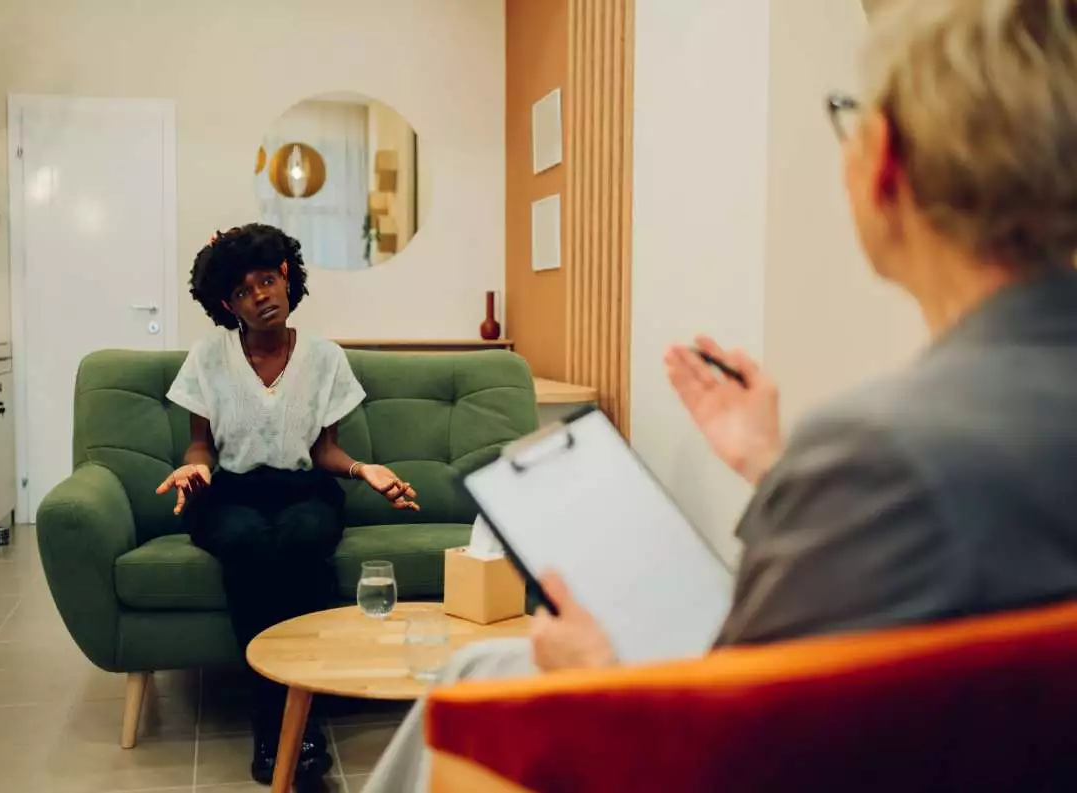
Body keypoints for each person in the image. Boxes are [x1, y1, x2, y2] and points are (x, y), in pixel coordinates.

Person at [363, 0, 1077, 789]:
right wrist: (773, 466)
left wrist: (599, 677)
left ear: (884, 168)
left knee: (472, 690)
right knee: (487, 662)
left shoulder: (881, 448)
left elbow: (734, 755)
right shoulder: (940, 442)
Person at [158, 224, 419, 785]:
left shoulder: (324, 358)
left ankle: (302, 717)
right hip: (229, 492)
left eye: (269, 279)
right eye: (245, 291)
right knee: (249, 544)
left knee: (303, 539)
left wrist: (361, 470)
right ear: (227, 304)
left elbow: (325, 450)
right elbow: (201, 443)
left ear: (288, 278)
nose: (263, 296)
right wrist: (194, 465)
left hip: (302, 490)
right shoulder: (209, 356)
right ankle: (277, 723)